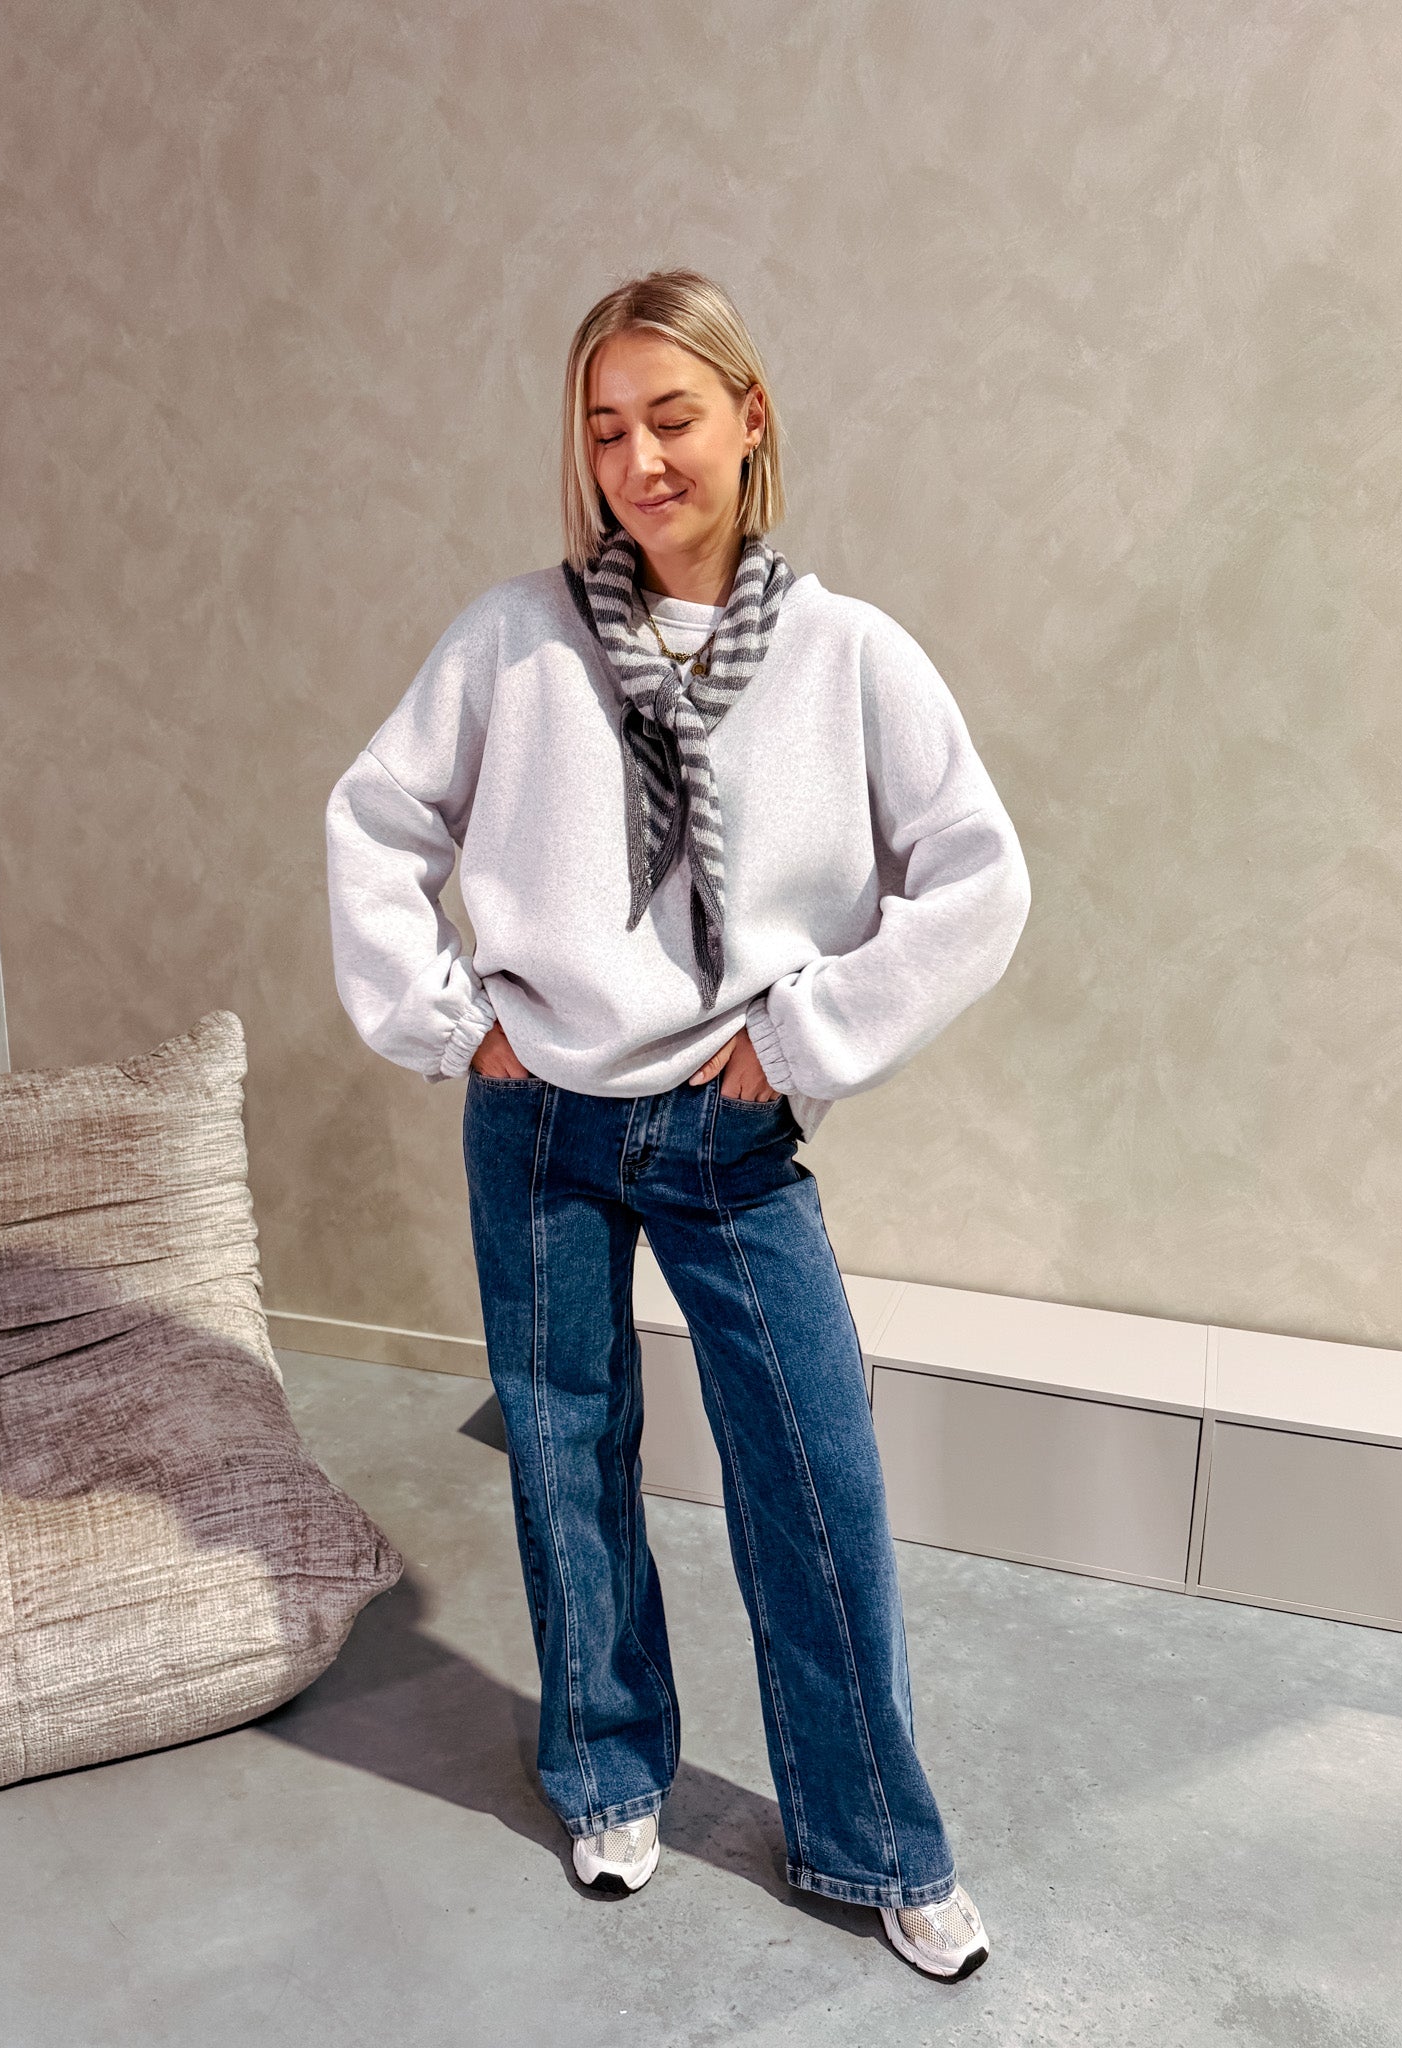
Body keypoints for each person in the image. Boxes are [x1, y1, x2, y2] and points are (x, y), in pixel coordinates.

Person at [325, 268, 1031, 1984]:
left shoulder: (847, 656)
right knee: (566, 1458)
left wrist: (802, 1042)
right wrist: (454, 1024)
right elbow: (374, 821)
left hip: (726, 1130)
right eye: (603, 431)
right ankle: (605, 1771)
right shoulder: (513, 638)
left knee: (813, 1479)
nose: (636, 461)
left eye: (670, 417)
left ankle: (874, 1837)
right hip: (541, 1121)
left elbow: (976, 879)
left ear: (748, 418)